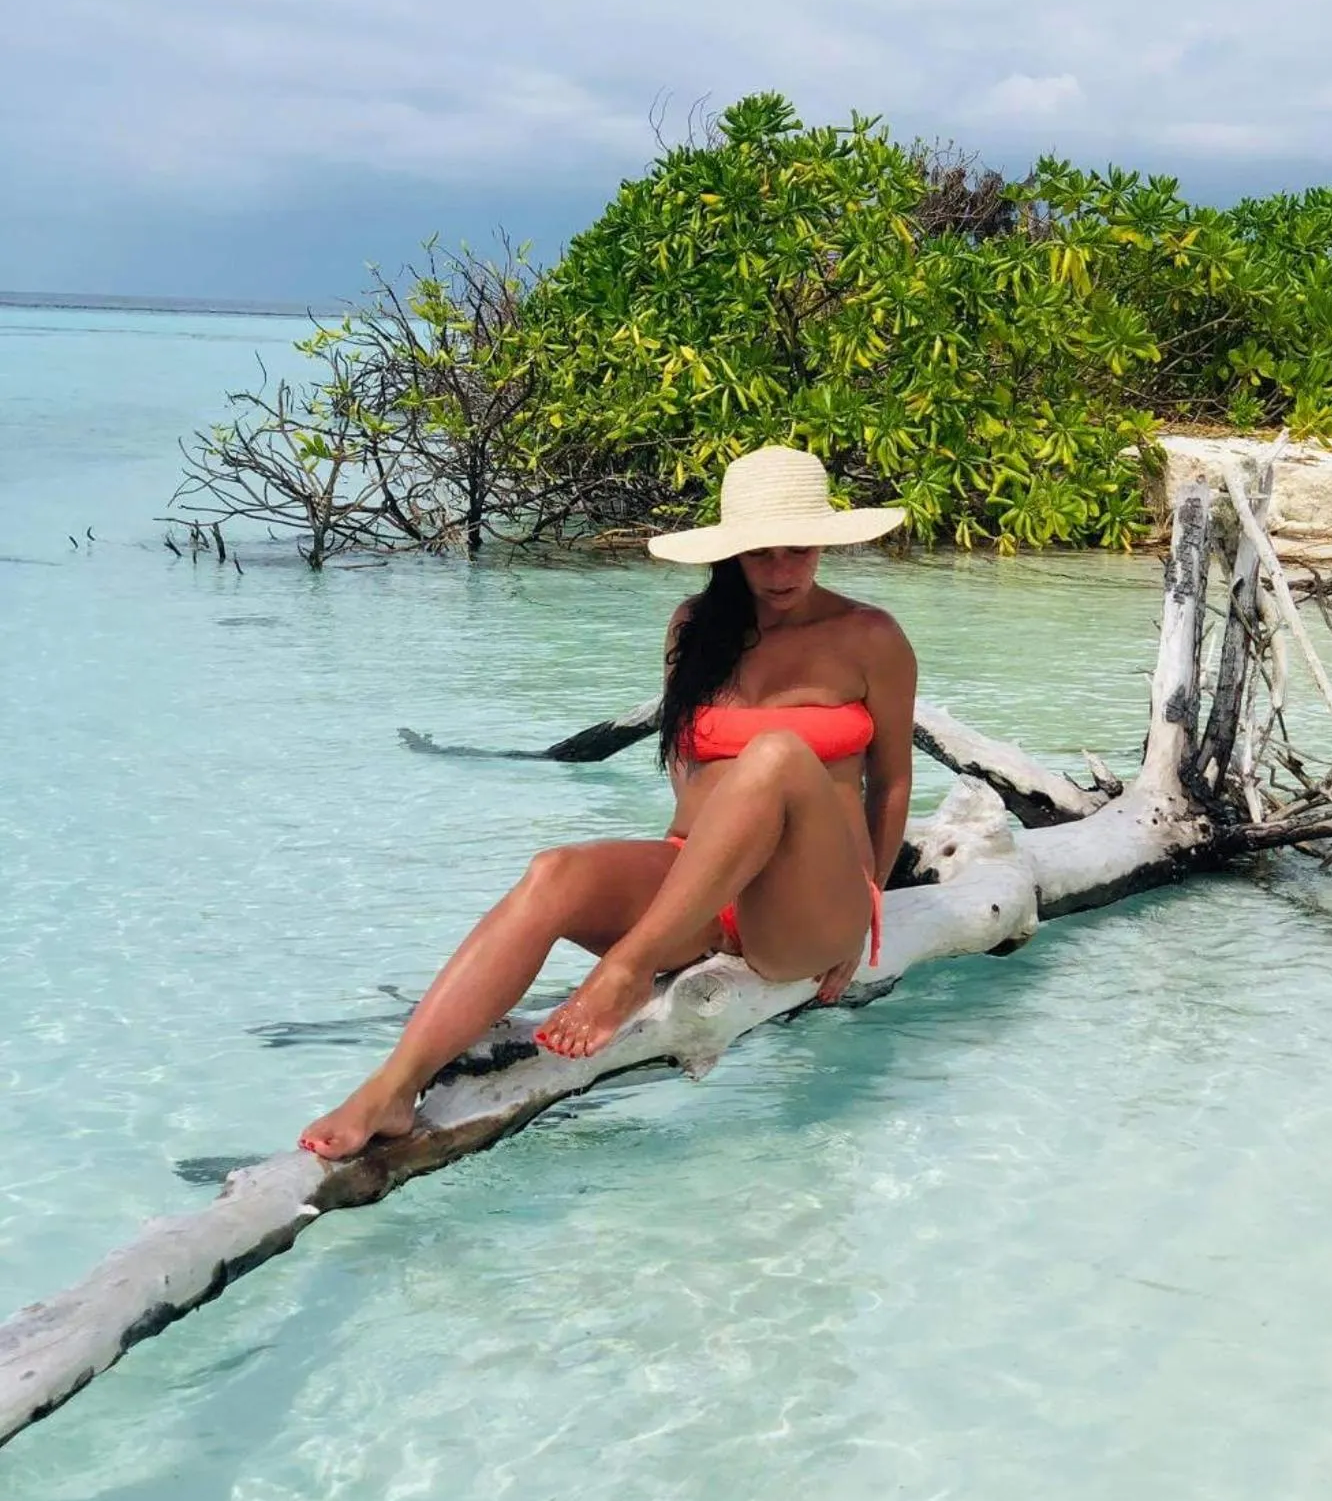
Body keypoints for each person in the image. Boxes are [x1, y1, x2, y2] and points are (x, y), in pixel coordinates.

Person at [297, 445, 917, 1160]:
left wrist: (864, 897)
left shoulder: (871, 638)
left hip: (809, 904)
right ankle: (395, 1086)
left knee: (776, 754)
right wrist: (690, 888)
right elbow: (688, 770)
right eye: (762, 554)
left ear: (823, 544)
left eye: (799, 551)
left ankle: (624, 971)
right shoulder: (696, 628)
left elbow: (893, 779)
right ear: (734, 552)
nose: (782, 572)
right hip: (701, 883)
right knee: (554, 871)